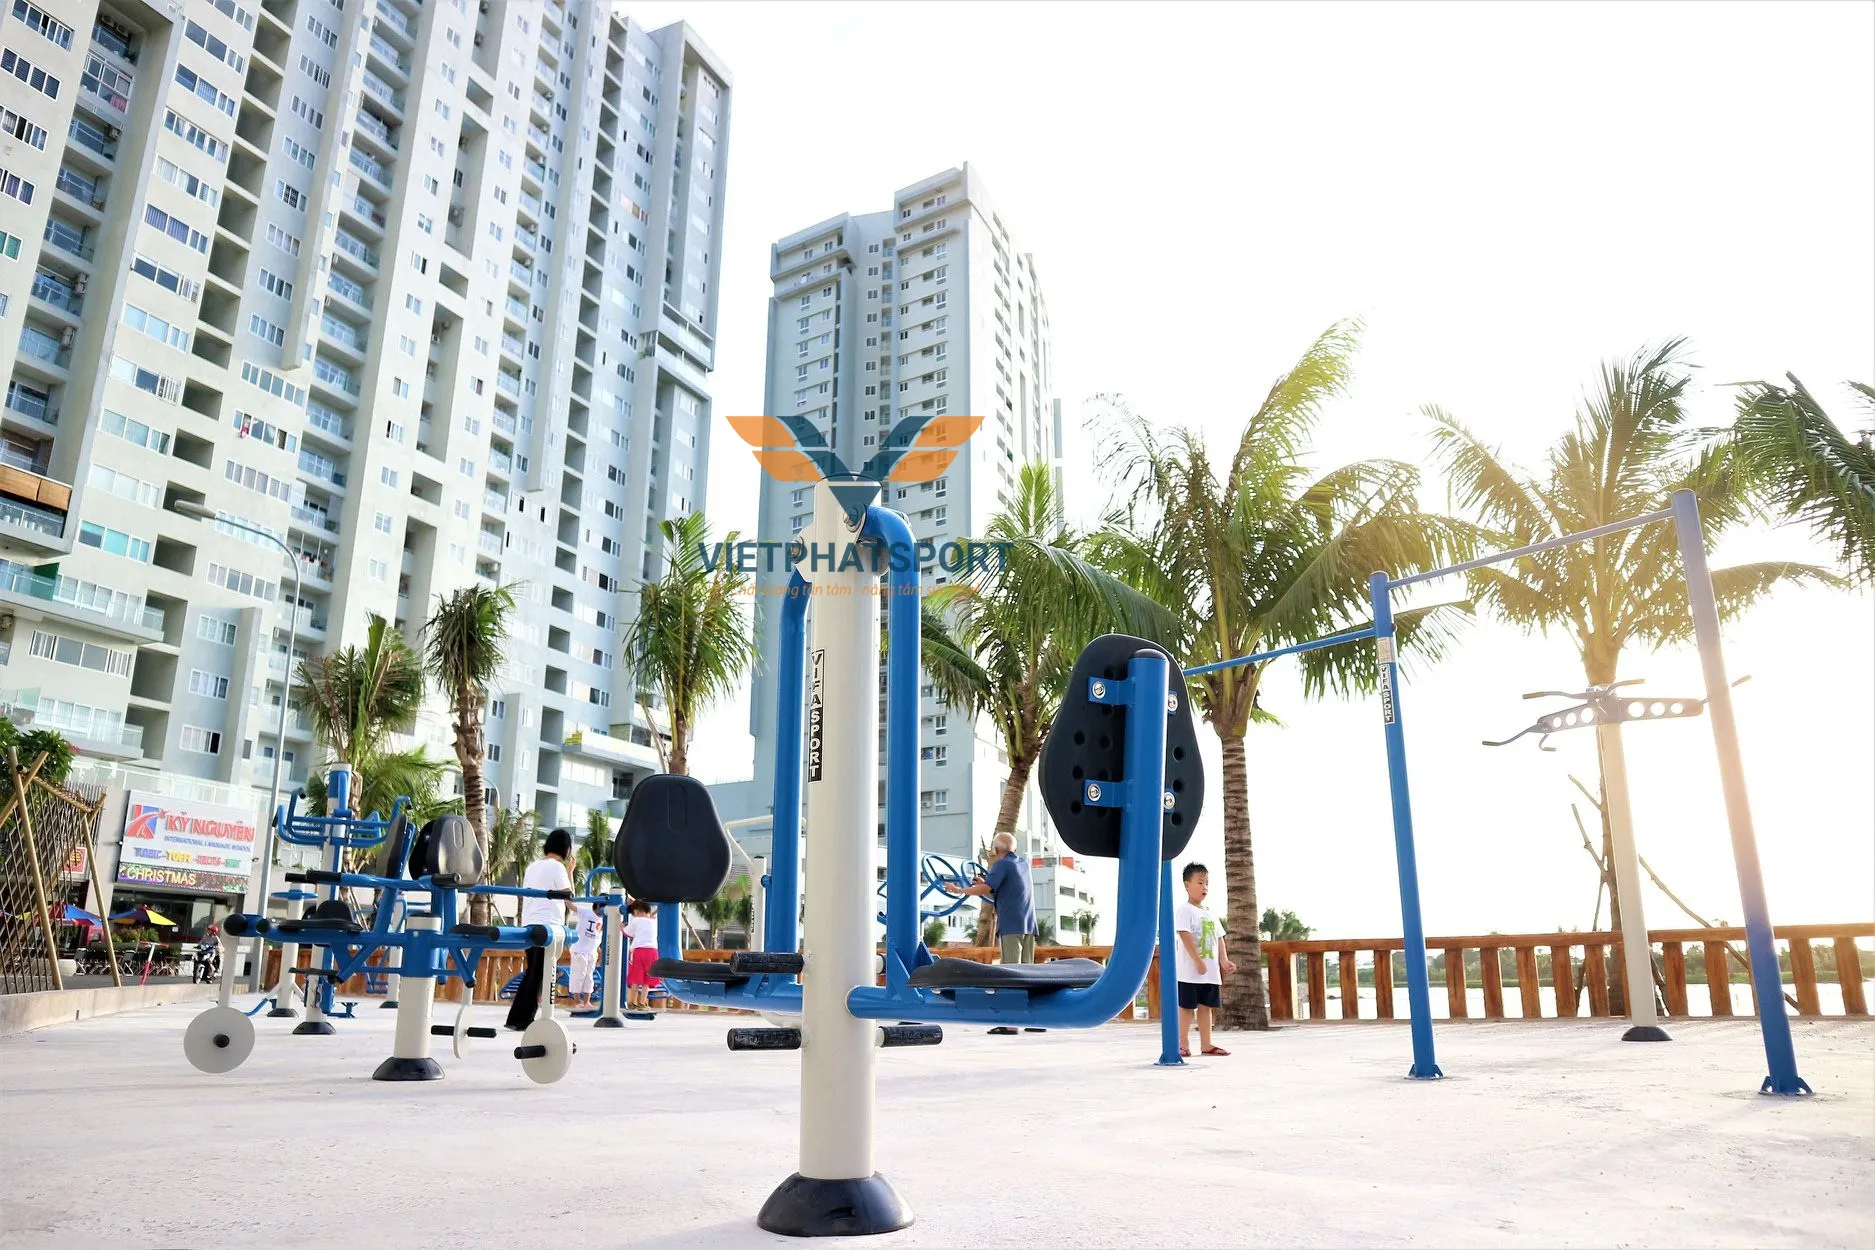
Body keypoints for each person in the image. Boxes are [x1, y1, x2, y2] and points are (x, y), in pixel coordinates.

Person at [941, 831, 1037, 1035]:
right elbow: (1004, 887)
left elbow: (986, 888)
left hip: (1012, 924)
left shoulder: (1002, 864)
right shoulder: (1022, 864)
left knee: (1011, 973)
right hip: (1028, 923)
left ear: (996, 849)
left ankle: (1010, 1022)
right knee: (1029, 973)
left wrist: (958, 890)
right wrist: (985, 883)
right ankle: (1036, 1020)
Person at [505, 828, 574, 1031]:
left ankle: (517, 1017)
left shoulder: (533, 866)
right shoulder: (557, 867)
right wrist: (569, 872)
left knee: (533, 972)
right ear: (566, 848)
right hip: (548, 926)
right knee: (540, 973)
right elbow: (569, 897)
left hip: (530, 922)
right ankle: (523, 1019)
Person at [1174, 862, 1237, 1058]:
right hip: (1190, 972)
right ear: (1187, 885)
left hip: (1210, 973)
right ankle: (1183, 1044)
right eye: (1200, 883)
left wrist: (1223, 960)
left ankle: (1206, 1044)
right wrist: (1197, 961)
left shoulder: (1210, 912)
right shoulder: (1185, 910)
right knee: (1186, 1008)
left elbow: (1219, 938)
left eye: (1207, 883)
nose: (1204, 887)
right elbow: (1184, 935)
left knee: (1206, 1007)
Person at [623, 899, 660, 1014]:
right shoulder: (654, 921)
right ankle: (642, 1003)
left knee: (636, 977)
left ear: (636, 911)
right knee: (647, 980)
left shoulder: (636, 920)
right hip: (652, 950)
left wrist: (621, 927)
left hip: (639, 950)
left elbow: (627, 933)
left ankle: (631, 1002)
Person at [568, 901, 602, 1011]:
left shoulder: (604, 918)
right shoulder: (586, 912)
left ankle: (587, 1002)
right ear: (598, 906)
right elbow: (571, 906)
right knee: (578, 976)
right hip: (579, 950)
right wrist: (565, 897)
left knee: (589, 977)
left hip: (592, 952)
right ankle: (577, 1002)